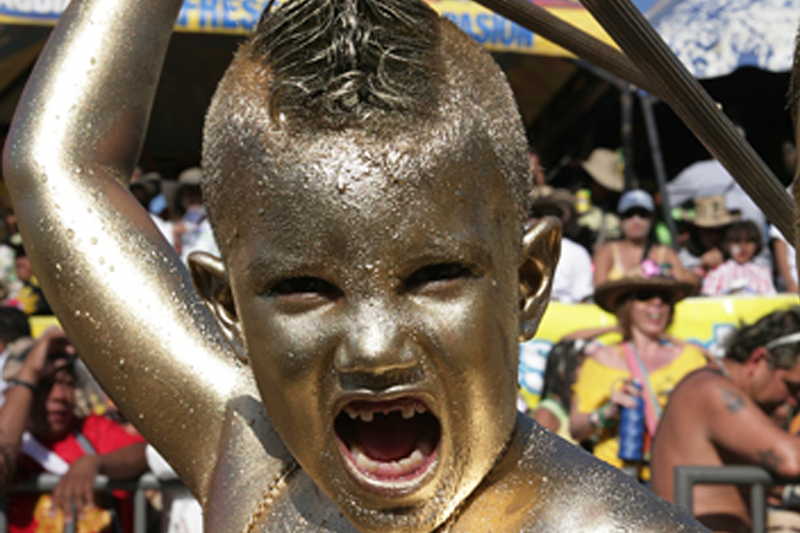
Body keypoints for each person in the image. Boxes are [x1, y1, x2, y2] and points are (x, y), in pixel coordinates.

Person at [2, 0, 705, 531]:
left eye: (434, 277)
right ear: (227, 306)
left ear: (527, 282)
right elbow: (55, 168)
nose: (372, 349)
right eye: (304, 288)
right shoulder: (252, 460)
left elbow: (60, 166)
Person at [650, 307, 800, 532]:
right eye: (791, 387)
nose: (793, 401)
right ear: (758, 359)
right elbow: (792, 461)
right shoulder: (710, 388)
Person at [0, 328, 147, 533]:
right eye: (45, 385)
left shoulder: (91, 429)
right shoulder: (18, 447)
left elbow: (145, 454)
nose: (60, 395)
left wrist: (95, 462)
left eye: (67, 383)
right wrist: (30, 372)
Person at [571, 271, 707, 478]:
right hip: (617, 478)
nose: (657, 304)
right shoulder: (600, 359)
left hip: (675, 475)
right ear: (627, 306)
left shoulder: (691, 358)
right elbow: (577, 429)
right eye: (645, 296)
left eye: (665, 299)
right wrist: (608, 412)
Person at [593, 189, 696, 287]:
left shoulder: (665, 253)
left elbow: (688, 282)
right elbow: (599, 289)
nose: (636, 220)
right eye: (629, 214)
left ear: (652, 219)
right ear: (621, 220)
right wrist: (627, 279)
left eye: (643, 214)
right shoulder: (607, 251)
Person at [528, 187, 593, 303]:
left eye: (553, 214)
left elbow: (582, 297)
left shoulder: (577, 253)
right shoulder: (518, 248)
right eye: (538, 213)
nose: (545, 219)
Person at [701, 220, 776, 296]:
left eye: (748, 241)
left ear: (757, 244)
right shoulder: (717, 272)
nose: (743, 247)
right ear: (727, 244)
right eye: (737, 241)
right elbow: (707, 299)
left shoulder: (762, 273)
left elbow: (770, 298)